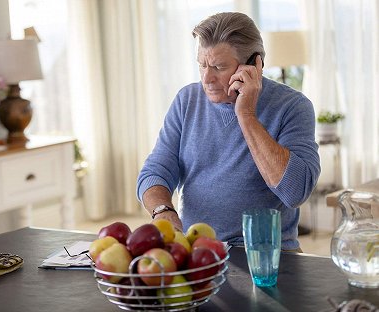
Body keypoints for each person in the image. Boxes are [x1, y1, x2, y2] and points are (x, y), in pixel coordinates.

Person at [136, 12, 320, 251]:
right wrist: (163, 210)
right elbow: (154, 171)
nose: (207, 78)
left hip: (268, 256)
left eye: (219, 67)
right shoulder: (186, 101)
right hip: (198, 250)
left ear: (255, 64)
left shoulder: (293, 106)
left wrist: (246, 115)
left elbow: (295, 191)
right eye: (201, 65)